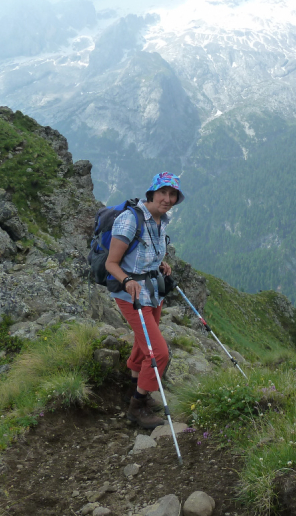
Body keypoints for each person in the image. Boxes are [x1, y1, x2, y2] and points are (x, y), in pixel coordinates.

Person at [104, 172, 184, 429]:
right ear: (152, 193)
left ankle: (134, 388)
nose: (168, 199)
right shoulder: (129, 220)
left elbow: (144, 253)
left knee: (143, 343)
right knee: (158, 352)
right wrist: (127, 280)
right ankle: (137, 407)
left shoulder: (161, 221)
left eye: (173, 195)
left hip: (153, 293)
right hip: (132, 296)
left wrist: (160, 263)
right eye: (163, 193)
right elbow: (111, 263)